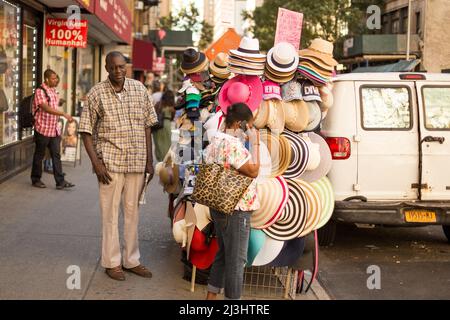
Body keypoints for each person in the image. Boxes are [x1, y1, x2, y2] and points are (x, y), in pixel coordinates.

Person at [79, 51, 158, 281]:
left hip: (136, 161)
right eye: (113, 67)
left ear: (127, 67)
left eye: (122, 67)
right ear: (106, 67)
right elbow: (85, 131)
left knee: (133, 213)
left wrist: (150, 161)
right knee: (110, 215)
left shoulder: (139, 89)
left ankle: (131, 260)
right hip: (110, 163)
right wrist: (96, 164)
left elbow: (147, 126)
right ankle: (112, 262)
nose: (118, 71)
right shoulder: (96, 93)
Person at [203, 103, 261, 300]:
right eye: (250, 126)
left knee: (223, 254)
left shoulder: (216, 140)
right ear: (239, 123)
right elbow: (254, 171)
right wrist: (256, 143)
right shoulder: (233, 145)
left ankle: (210, 297)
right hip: (236, 208)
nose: (250, 130)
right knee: (237, 260)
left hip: (219, 205)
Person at [31, 69, 75, 189]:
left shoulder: (53, 90)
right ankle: (36, 179)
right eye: (53, 78)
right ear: (46, 79)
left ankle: (60, 182)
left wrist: (59, 102)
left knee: (56, 155)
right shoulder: (40, 91)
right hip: (42, 128)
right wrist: (63, 114)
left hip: (54, 129)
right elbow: (45, 107)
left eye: (56, 78)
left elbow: (52, 105)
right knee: (39, 155)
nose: (56, 80)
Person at [152, 90, 176, 162]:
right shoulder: (172, 107)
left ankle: (160, 160)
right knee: (167, 145)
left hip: (157, 126)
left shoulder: (159, 104)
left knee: (158, 145)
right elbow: (172, 117)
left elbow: (153, 114)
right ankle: (165, 162)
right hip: (167, 125)